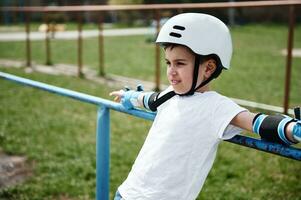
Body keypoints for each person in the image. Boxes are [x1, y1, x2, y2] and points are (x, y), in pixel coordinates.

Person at [110, 13, 301, 200]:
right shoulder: (170, 94)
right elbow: (150, 100)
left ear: (209, 68)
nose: (171, 72)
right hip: (128, 192)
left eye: (180, 63)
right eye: (168, 63)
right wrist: (130, 96)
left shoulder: (216, 107)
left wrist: (293, 129)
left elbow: (257, 122)